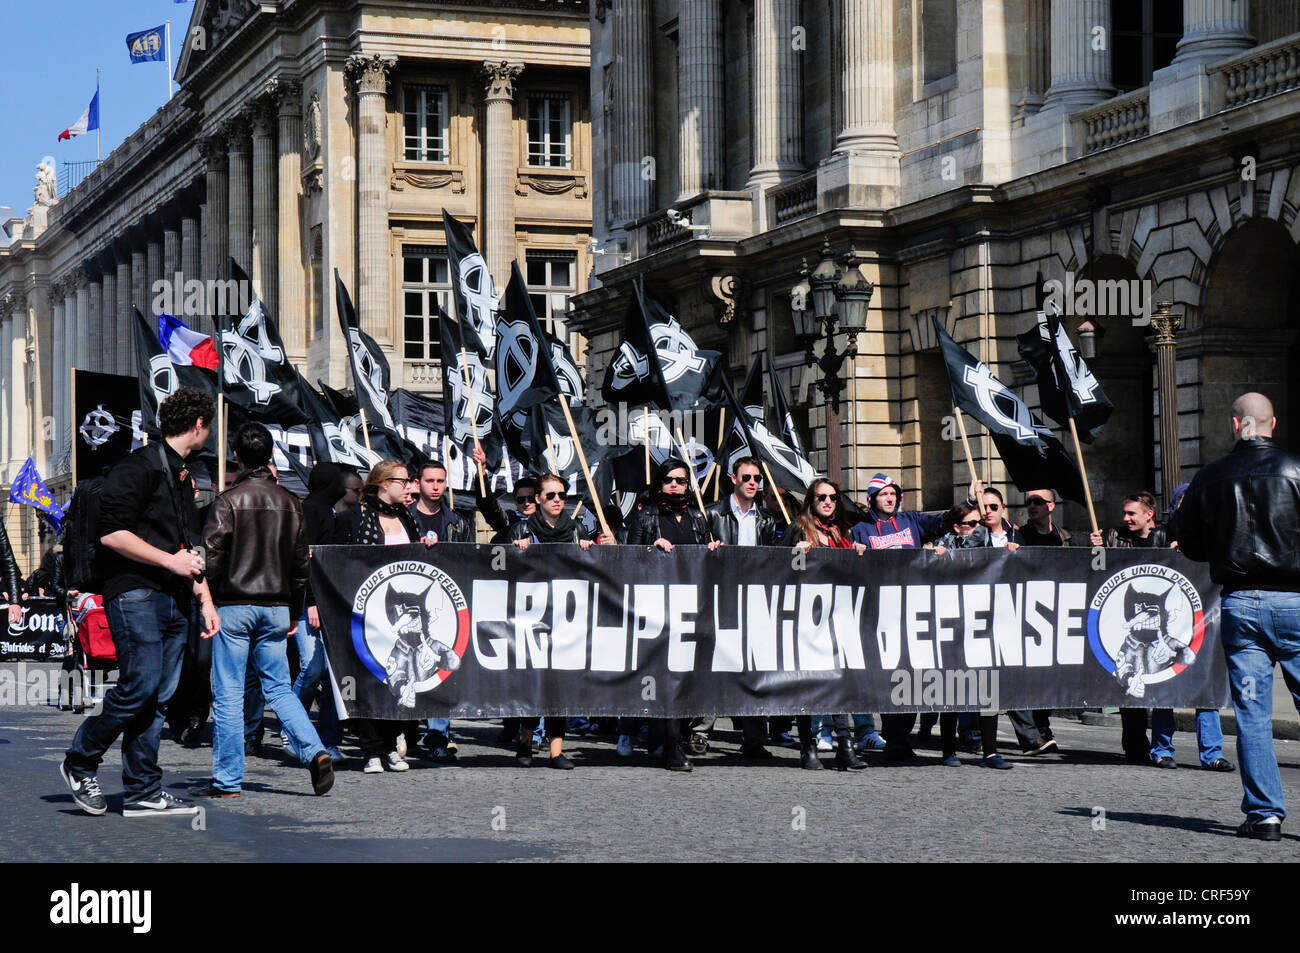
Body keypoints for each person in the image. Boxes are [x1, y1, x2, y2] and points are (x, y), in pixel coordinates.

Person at [60, 387, 219, 818]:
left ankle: (143, 789)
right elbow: (112, 534)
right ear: (199, 424)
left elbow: (187, 545)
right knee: (139, 688)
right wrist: (170, 560)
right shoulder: (138, 466)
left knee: (159, 697)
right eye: (210, 426)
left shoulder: (182, 472)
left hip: (173, 597)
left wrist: (204, 597)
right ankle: (79, 761)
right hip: (135, 593)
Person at [1170, 392, 1299, 839]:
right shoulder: (1295, 469)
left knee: (1252, 713)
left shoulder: (1210, 477)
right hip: (1296, 601)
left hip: (1242, 602)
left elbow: (1187, 542)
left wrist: (1220, 548)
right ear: (1273, 423)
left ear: (1235, 425)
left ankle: (1265, 815)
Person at [191, 423, 333, 799]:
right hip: (275, 607)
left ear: (237, 456)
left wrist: (208, 598)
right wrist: (295, 610)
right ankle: (315, 750)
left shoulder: (228, 500)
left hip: (234, 605)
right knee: (280, 689)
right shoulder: (291, 502)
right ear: (270, 457)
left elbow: (211, 557)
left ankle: (227, 780)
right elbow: (302, 564)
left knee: (229, 693)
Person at [507, 473, 611, 769]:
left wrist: (593, 550)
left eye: (561, 495)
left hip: (567, 616)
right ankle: (525, 743)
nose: (557, 501)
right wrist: (516, 551)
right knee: (533, 683)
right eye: (550, 495)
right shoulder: (523, 527)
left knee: (559, 684)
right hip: (532, 615)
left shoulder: (575, 528)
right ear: (538, 498)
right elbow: (498, 567)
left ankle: (556, 750)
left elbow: (596, 568)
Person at [339, 460, 436, 774]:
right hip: (365, 611)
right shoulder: (354, 516)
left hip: (399, 621)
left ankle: (392, 744)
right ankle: (370, 750)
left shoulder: (406, 516)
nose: (409, 487)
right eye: (404, 481)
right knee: (367, 678)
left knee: (394, 679)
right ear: (384, 483)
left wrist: (426, 545)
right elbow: (340, 559)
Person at [626, 457, 721, 771]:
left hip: (692, 607)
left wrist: (713, 552)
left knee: (688, 679)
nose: (675, 486)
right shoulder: (645, 517)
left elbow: (708, 563)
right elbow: (629, 560)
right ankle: (672, 748)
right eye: (669, 480)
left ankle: (671, 740)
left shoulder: (697, 517)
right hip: (658, 609)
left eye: (681, 480)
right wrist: (651, 549)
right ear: (659, 483)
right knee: (668, 678)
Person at [850, 473, 945, 761]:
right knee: (888, 677)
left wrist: (967, 501)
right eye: (883, 495)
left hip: (913, 611)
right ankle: (893, 739)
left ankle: (901, 736)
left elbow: (946, 521)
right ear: (872, 500)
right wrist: (856, 552)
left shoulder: (912, 521)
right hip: (879, 614)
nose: (889, 499)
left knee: (912, 675)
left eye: (893, 494)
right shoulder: (861, 529)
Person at [784, 478, 868, 770]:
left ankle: (845, 746)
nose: (828, 502)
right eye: (822, 497)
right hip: (807, 619)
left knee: (840, 681)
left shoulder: (842, 532)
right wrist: (795, 553)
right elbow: (774, 567)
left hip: (838, 618)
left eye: (833, 497)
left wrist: (856, 553)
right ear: (811, 501)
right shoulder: (798, 528)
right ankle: (808, 748)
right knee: (809, 683)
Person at [702, 456, 783, 760]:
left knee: (753, 670)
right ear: (733, 479)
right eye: (747, 477)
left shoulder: (766, 519)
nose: (753, 483)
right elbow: (695, 557)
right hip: (720, 599)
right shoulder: (711, 514)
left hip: (754, 601)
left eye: (757, 478)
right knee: (714, 667)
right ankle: (700, 732)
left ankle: (753, 738)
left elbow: (774, 559)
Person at [1090, 491, 1169, 762]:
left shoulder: (1166, 537)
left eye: (1131, 513)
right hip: (1127, 623)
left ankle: (1162, 747)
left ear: (1149, 514)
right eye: (1125, 513)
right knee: (1130, 682)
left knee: (1161, 685)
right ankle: (1135, 746)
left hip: (1159, 624)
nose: (1126, 518)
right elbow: (1099, 573)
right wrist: (1098, 552)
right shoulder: (1115, 537)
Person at [293, 462, 348, 762]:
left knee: (332, 674)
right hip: (309, 603)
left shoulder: (330, 511)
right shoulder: (310, 510)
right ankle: (294, 726)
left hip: (330, 603)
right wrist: (312, 600)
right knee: (312, 668)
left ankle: (328, 738)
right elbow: (307, 559)